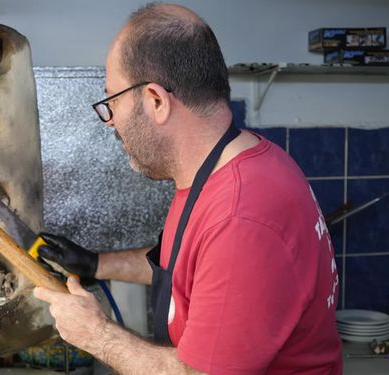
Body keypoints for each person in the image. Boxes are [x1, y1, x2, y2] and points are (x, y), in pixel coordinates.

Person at [33, 3, 342, 374]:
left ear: (157, 101)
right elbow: (193, 269)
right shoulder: (232, 165)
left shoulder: (241, 214)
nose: (110, 122)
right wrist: (96, 264)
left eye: (112, 102)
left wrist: (95, 333)